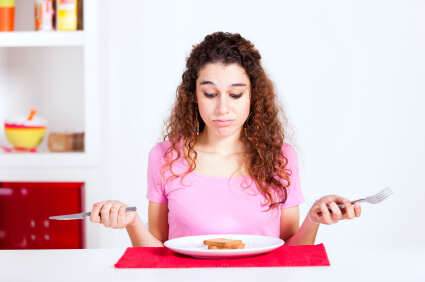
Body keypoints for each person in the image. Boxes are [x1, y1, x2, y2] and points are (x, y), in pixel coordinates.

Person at [90, 32, 361, 247]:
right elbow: (158, 253)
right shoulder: (164, 157)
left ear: (253, 97)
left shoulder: (280, 156)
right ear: (193, 96)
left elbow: (290, 252)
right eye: (210, 94)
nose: (222, 109)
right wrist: (131, 222)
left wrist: (314, 219)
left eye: (235, 94)